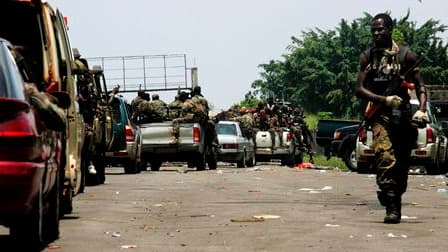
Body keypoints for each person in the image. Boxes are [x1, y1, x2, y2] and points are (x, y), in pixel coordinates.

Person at [356, 13, 428, 224]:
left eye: (381, 29)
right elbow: (359, 89)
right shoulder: (368, 57)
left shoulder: (407, 56)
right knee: (385, 158)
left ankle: (391, 193)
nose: (377, 33)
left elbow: (420, 86)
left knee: (402, 166)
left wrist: (421, 109)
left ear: (390, 29)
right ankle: (392, 208)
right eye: (374, 30)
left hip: (404, 116)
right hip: (380, 115)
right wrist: (384, 99)